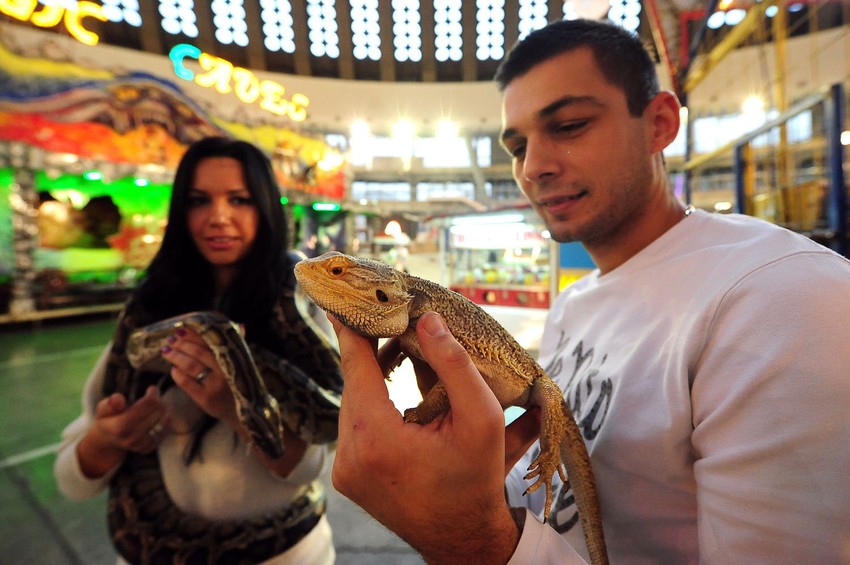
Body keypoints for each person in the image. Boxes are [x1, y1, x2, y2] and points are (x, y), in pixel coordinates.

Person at [327, 19, 850, 564]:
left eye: (570, 125)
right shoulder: (576, 304)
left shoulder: (784, 297)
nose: (533, 167)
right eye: (517, 145)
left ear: (660, 123)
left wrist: (467, 536)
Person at [55, 136, 343, 564]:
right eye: (198, 200)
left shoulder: (304, 302)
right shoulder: (146, 309)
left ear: (265, 207)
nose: (218, 218)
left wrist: (238, 405)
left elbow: (308, 465)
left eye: (240, 199)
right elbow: (72, 480)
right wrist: (105, 439)